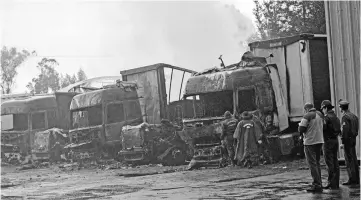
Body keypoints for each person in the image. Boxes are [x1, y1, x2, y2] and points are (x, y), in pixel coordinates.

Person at [298, 103, 324, 193]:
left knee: (312, 164)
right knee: (317, 163)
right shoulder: (320, 114)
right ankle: (320, 183)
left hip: (310, 142)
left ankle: (316, 184)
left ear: (306, 109)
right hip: (319, 140)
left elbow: (301, 129)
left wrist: (300, 125)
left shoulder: (307, 115)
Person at [321, 100, 341, 189]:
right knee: (335, 161)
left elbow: (323, 128)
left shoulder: (326, 118)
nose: (322, 111)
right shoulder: (336, 117)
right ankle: (336, 182)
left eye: (323, 109)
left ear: (325, 108)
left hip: (328, 141)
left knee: (329, 163)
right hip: (335, 140)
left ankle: (331, 183)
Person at [339, 99, 360, 185]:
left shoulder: (345, 117)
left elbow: (345, 130)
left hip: (348, 140)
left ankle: (352, 179)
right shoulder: (354, 116)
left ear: (341, 108)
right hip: (353, 139)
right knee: (354, 159)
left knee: (349, 160)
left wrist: (343, 141)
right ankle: (356, 178)